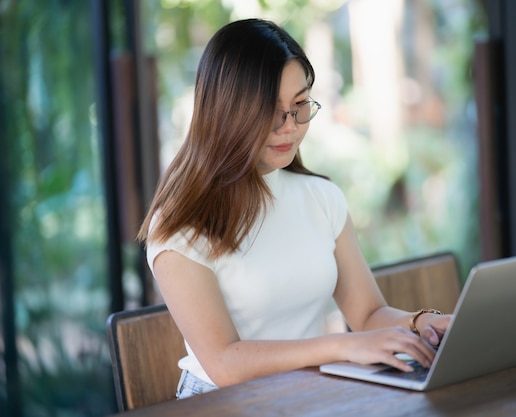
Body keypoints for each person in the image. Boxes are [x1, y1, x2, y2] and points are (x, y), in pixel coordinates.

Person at [137, 18, 452, 399]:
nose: (290, 126)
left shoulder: (320, 197)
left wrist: (424, 323)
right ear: (226, 112)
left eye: (300, 104)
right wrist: (341, 346)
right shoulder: (181, 225)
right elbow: (224, 363)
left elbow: (368, 315)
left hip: (311, 389)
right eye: (271, 110)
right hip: (221, 402)